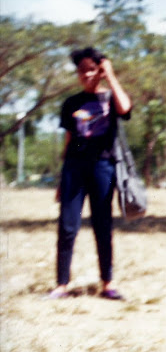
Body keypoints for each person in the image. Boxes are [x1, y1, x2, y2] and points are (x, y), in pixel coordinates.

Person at [49, 47, 132, 300]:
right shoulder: (71, 103)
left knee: (102, 225)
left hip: (103, 168)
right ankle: (61, 284)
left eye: (92, 69)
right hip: (74, 169)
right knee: (67, 226)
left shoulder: (111, 98)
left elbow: (125, 109)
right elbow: (68, 139)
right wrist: (62, 178)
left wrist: (111, 76)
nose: (86, 75)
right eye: (81, 70)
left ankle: (108, 283)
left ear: (101, 70)